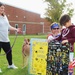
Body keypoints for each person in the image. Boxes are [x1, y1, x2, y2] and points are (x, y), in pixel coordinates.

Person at [0, 2, 21, 73]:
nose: (2, 9)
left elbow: (8, 26)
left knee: (9, 53)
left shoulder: (5, 17)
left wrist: (16, 29)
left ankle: (10, 64)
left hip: (6, 39)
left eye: (3, 8)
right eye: (1, 8)